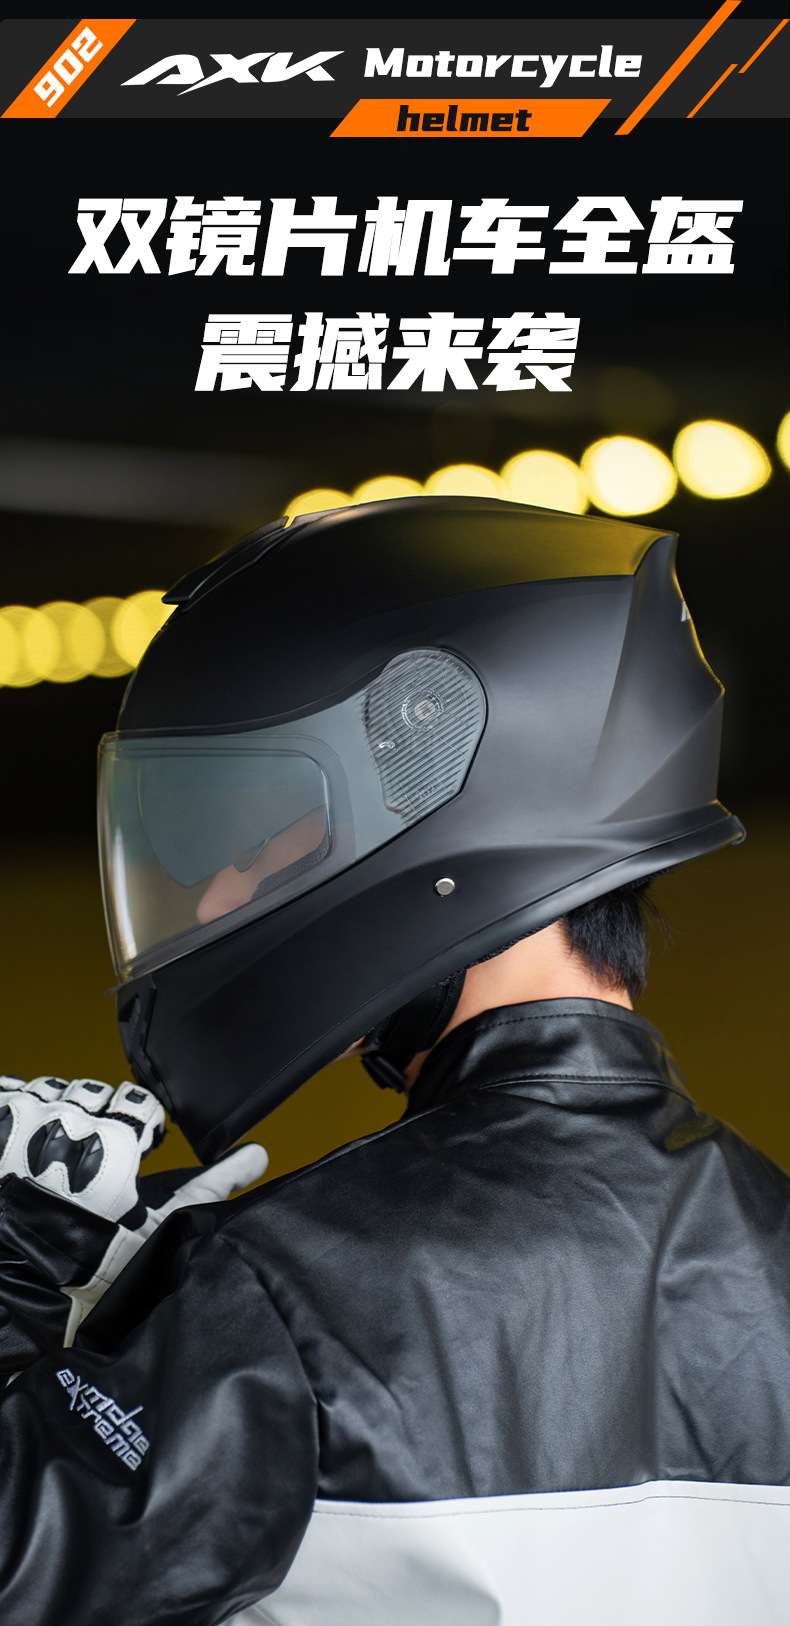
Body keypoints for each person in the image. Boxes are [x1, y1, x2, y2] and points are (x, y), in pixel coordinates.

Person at [1, 494, 788, 1625]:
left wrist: (21, 1298)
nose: (217, 897)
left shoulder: (285, 1287)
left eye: (255, 829)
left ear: (427, 777)